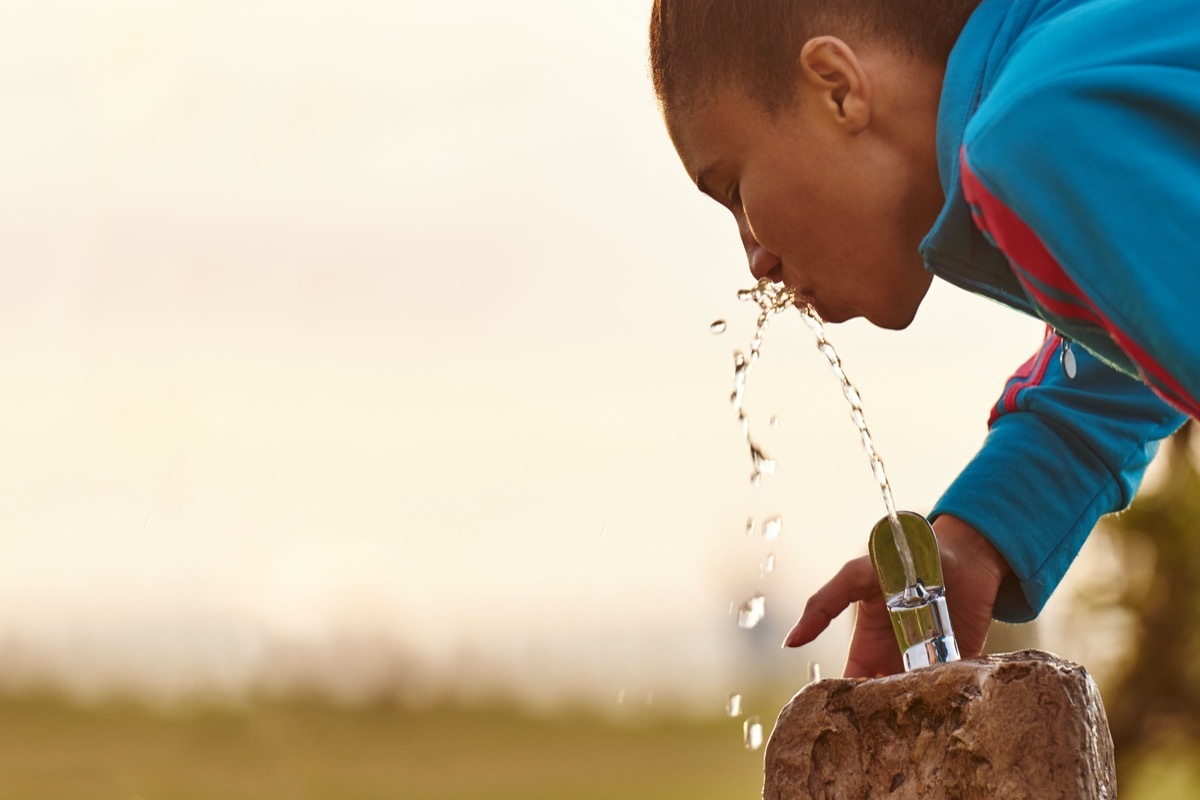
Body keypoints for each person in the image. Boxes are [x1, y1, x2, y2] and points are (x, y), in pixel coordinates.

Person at [649, 0, 1200, 677]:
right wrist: (978, 535)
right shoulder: (1081, 74)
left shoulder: (1033, 132)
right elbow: (1133, 348)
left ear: (838, 89)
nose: (755, 259)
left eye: (734, 190)